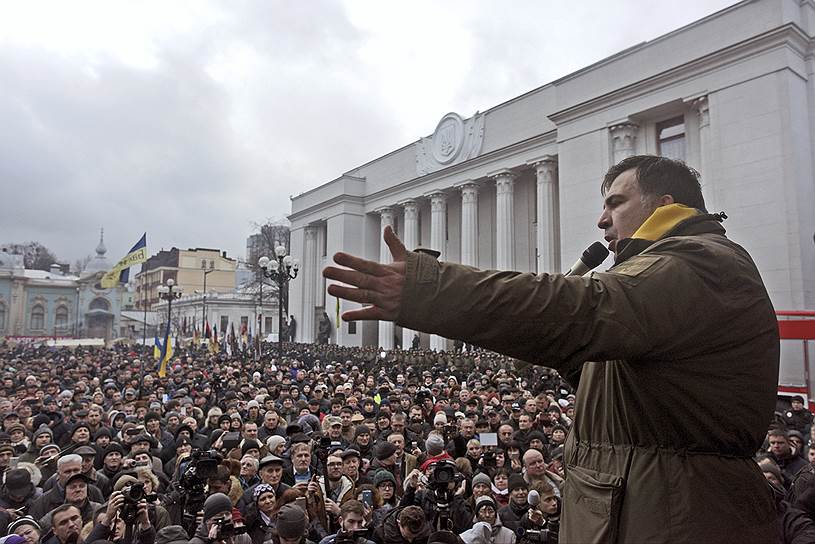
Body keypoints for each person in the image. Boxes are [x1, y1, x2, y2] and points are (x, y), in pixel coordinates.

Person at [324, 155, 779, 543]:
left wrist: (434, 291)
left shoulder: (696, 263)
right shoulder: (667, 272)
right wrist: (557, 349)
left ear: (664, 205)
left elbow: (582, 307)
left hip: (673, 516)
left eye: (616, 203)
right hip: (645, 508)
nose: (602, 220)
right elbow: (629, 389)